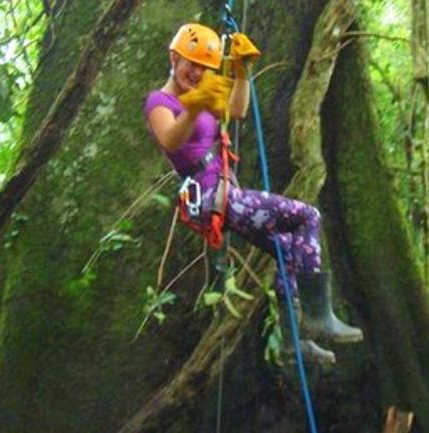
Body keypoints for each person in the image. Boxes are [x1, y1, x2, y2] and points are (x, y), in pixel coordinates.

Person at [144, 22, 362, 364]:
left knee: (287, 247)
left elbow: (237, 110)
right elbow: (170, 138)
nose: (197, 73)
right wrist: (197, 105)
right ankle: (318, 316)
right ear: (174, 57)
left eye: (203, 67)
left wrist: (241, 71)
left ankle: (292, 342)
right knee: (308, 215)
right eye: (191, 63)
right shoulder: (160, 101)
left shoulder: (198, 94)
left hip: (225, 190)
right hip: (208, 193)